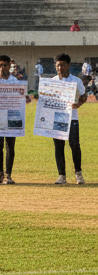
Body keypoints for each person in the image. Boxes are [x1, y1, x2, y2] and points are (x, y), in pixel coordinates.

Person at [0, 54, 32, 184]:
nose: (3, 67)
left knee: (10, 146)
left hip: (12, 117)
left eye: (6, 65)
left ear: (9, 66)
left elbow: (22, 98)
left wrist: (26, 99)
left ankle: (8, 174)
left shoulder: (15, 82)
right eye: (1, 65)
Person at [49, 52, 87, 185]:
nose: (60, 68)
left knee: (75, 145)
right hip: (57, 119)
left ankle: (78, 173)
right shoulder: (52, 82)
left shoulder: (75, 81)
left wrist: (79, 104)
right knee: (59, 147)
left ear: (68, 65)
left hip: (72, 118)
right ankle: (62, 175)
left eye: (63, 65)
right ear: (55, 66)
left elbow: (84, 96)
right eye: (58, 65)